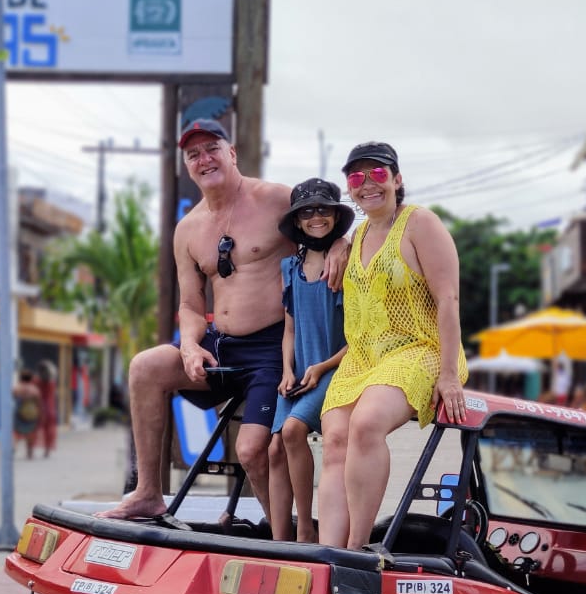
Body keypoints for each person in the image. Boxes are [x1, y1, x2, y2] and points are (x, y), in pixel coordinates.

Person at [97, 119, 347, 522]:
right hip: (220, 345)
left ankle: (285, 533)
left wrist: (340, 243)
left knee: (251, 451)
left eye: (212, 148)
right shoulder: (188, 229)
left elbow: (324, 221)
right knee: (146, 366)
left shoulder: (275, 199)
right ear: (186, 166)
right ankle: (147, 493)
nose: (204, 159)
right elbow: (193, 305)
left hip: (273, 348)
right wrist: (191, 345)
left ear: (232, 153)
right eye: (193, 154)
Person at [317, 142, 468, 549]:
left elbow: (448, 298)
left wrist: (450, 375)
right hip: (364, 358)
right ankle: (327, 551)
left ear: (397, 180)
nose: (367, 184)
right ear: (349, 188)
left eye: (378, 174)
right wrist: (337, 243)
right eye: (356, 177)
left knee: (366, 425)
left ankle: (357, 551)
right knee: (334, 439)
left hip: (421, 348)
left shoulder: (420, 223)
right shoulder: (359, 233)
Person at [266, 179, 352, 542]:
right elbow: (289, 330)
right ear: (297, 220)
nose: (316, 217)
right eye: (307, 211)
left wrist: (322, 367)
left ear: (335, 215)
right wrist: (287, 370)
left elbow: (359, 339)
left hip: (336, 367)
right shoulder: (291, 267)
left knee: (292, 431)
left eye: (323, 209)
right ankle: (278, 540)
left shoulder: (347, 263)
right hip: (301, 372)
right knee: (273, 451)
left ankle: (305, 528)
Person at [13, 368, 43, 459]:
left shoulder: (17, 388)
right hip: (31, 414)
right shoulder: (35, 389)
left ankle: (14, 446)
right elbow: (39, 403)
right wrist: (40, 415)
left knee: (16, 432)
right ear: (30, 379)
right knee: (30, 433)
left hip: (19, 413)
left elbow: (12, 397)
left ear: (21, 378)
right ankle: (29, 453)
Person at [37, 360, 59, 457]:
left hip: (40, 408)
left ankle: (29, 451)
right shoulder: (52, 383)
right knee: (49, 430)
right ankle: (47, 450)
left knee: (31, 429)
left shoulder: (37, 382)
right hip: (50, 408)